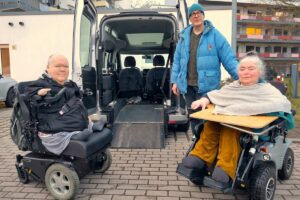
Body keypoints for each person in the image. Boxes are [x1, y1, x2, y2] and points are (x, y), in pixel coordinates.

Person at [182, 54, 294, 188]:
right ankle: (200, 157)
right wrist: (204, 99)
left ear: (259, 72)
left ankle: (225, 169)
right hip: (229, 119)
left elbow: (282, 104)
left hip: (253, 127)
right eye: (242, 69)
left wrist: (249, 110)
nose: (246, 72)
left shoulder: (268, 90)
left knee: (230, 128)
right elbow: (216, 95)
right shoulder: (232, 87)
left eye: (251, 68)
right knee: (211, 124)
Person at [170, 3, 239, 134]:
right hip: (188, 86)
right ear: (190, 18)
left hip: (208, 87)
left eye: (199, 13)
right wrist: (175, 81)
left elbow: (229, 59)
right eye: (193, 14)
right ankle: (197, 143)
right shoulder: (184, 37)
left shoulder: (215, 35)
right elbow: (177, 61)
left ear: (203, 15)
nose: (196, 16)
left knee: (208, 122)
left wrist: (243, 78)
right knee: (194, 118)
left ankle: (208, 147)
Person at [26, 54, 101, 155]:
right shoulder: (42, 83)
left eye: (66, 67)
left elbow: (76, 94)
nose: (62, 69)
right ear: (47, 68)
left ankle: (89, 126)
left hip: (70, 122)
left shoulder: (69, 84)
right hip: (55, 130)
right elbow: (29, 92)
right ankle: (73, 134)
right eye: (58, 66)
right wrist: (38, 92)